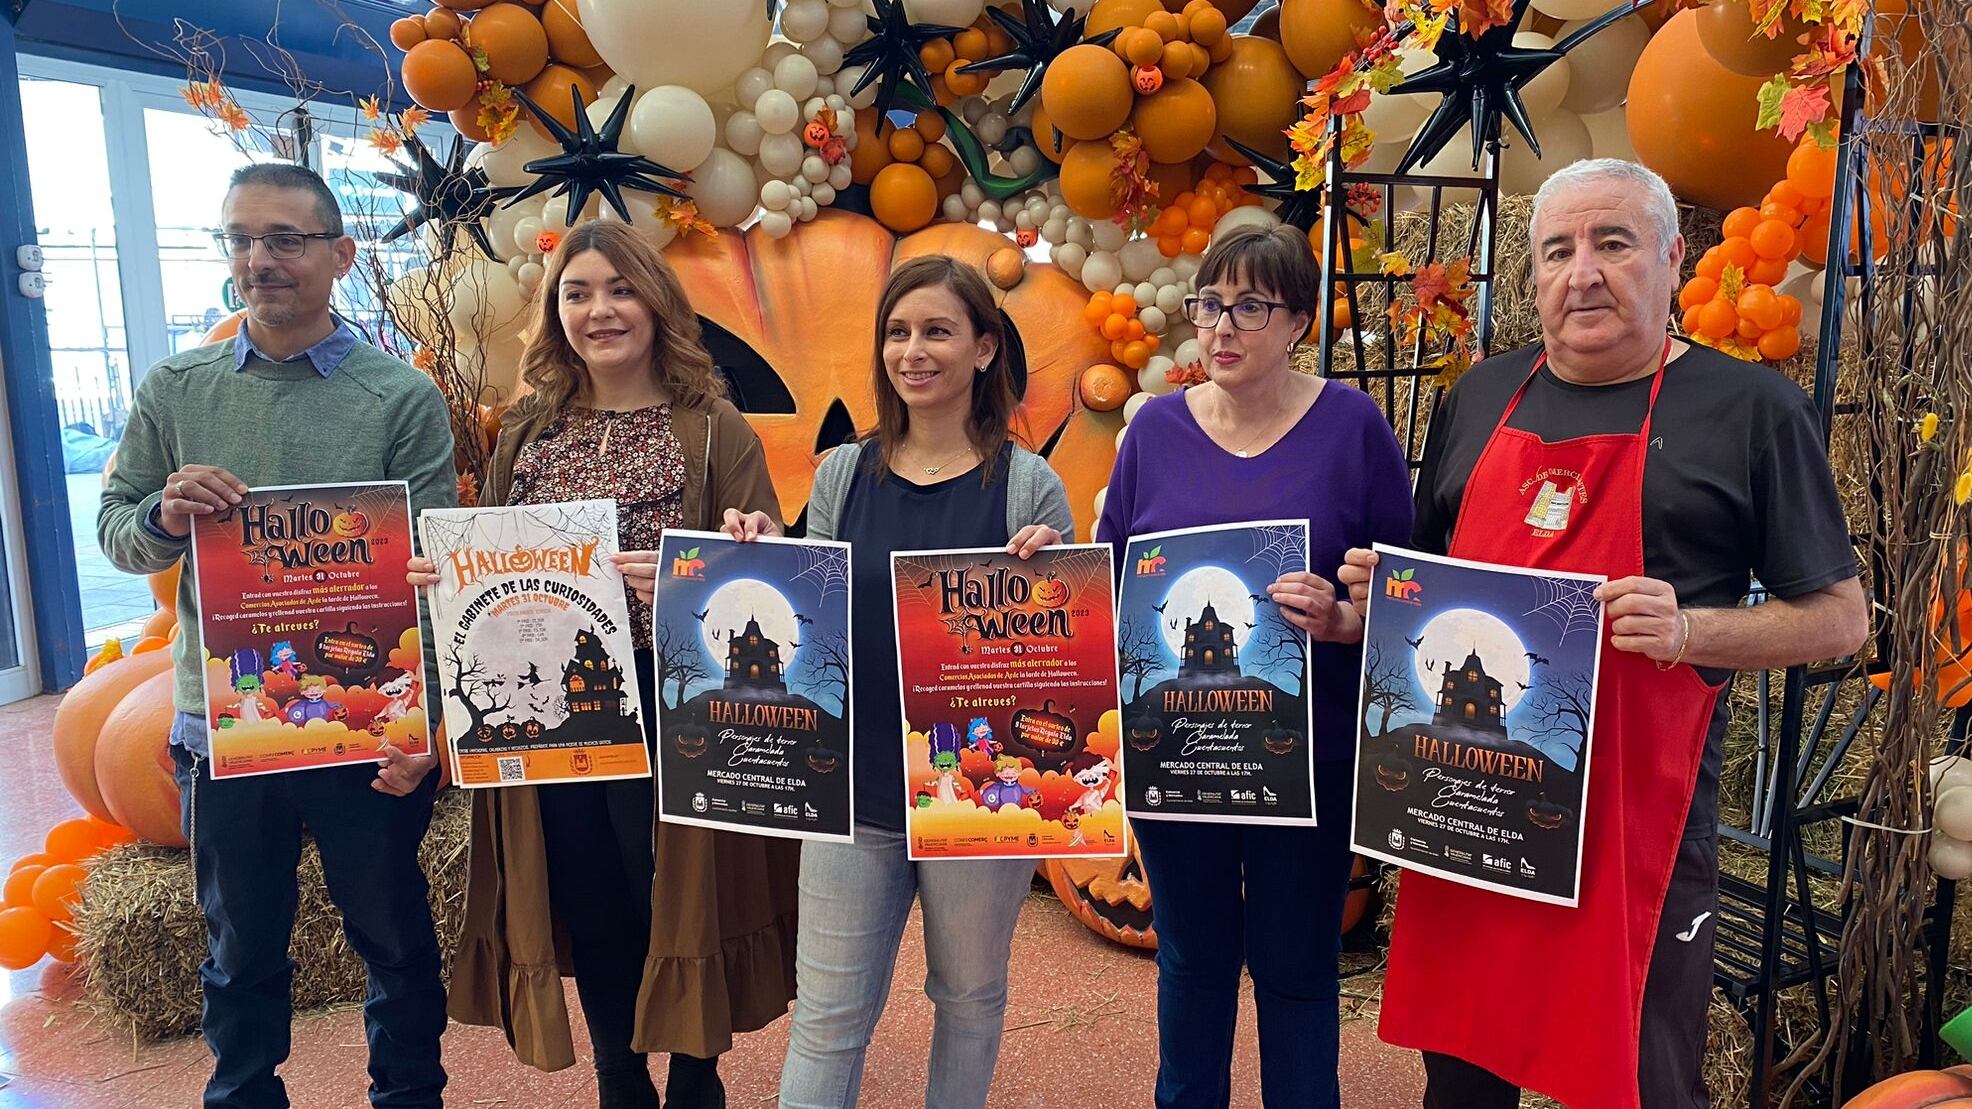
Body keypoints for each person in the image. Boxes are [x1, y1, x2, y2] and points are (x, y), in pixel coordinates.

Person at [1338, 159, 1868, 1109]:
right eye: (1558, 250)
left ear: (1673, 257)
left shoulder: (1753, 411)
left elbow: (1839, 617)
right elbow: (1426, 585)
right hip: (1471, 803)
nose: (1581, 272)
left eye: (1612, 243)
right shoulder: (1479, 395)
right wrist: (1372, 606)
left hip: (1634, 829)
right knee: (1461, 1074)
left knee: (1645, 1077)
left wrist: (1690, 628)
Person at [98, 162, 457, 1109]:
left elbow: (432, 572)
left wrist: (424, 726)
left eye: (285, 239)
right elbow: (118, 528)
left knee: (394, 937)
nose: (259, 259)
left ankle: (409, 1096)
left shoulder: (401, 397)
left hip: (365, 723)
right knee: (240, 949)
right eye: (241, 238)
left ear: (341, 255)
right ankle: (244, 1094)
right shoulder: (176, 388)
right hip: (222, 728)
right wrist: (164, 516)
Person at [426, 220, 799, 1109]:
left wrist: (730, 552)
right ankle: (620, 1077)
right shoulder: (528, 429)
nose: (601, 310)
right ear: (556, 312)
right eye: (578, 293)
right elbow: (496, 559)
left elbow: (769, 565)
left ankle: (696, 1076)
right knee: (590, 894)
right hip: (553, 703)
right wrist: (446, 575)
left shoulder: (713, 428)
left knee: (676, 891)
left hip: (674, 701)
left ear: (657, 302)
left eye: (621, 289)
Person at [725, 255, 1071, 1109]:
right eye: (898, 332)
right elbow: (811, 621)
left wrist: (1058, 584)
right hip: (853, 787)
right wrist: (764, 555)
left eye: (937, 331)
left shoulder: (1029, 484)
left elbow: (1063, 656)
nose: (913, 351)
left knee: (968, 996)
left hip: (980, 790)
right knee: (828, 1019)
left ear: (984, 349)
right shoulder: (844, 473)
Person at [1094, 224, 1415, 1108]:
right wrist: (1053, 562)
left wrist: (1344, 616)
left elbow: (1405, 593)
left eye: (1251, 307)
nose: (1222, 327)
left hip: (1307, 759)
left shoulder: (1353, 427)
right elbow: (1110, 575)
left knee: (1296, 965)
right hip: (1177, 753)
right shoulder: (1155, 429)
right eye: (1210, 305)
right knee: (1192, 960)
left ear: (1299, 321)